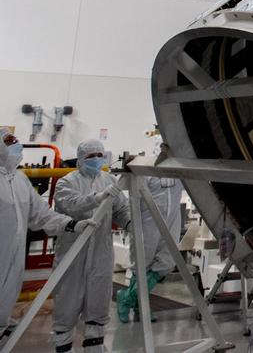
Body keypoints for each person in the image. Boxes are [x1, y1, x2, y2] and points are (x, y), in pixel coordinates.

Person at [2, 131, 97, 345]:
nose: (16, 147)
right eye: (9, 143)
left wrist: (70, 224)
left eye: (16, 142)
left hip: (13, 260)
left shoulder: (19, 180)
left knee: (5, 308)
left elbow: (42, 215)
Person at [52, 139, 130, 352]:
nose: (96, 159)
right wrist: (98, 198)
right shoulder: (66, 182)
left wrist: (130, 223)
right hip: (72, 253)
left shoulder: (110, 181)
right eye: (90, 156)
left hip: (100, 253)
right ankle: (63, 346)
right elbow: (72, 205)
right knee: (67, 303)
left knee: (98, 301)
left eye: (100, 155)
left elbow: (121, 209)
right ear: (80, 159)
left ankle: (94, 347)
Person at [116, 176, 184, 323]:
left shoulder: (177, 172)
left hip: (172, 222)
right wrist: (133, 225)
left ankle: (126, 297)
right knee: (142, 266)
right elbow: (134, 200)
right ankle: (141, 307)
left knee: (167, 262)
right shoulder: (145, 172)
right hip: (146, 224)